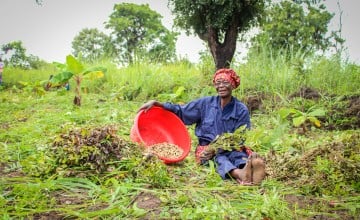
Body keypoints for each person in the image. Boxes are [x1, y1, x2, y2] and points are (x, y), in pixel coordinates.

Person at [139, 68, 265, 185]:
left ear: (232, 85)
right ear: (215, 85)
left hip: (231, 148)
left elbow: (240, 137)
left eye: (225, 82)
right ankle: (240, 173)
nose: (221, 86)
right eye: (218, 83)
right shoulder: (205, 103)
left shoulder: (240, 109)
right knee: (219, 159)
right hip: (206, 150)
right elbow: (182, 111)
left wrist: (217, 148)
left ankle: (249, 168)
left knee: (237, 156)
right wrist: (158, 104)